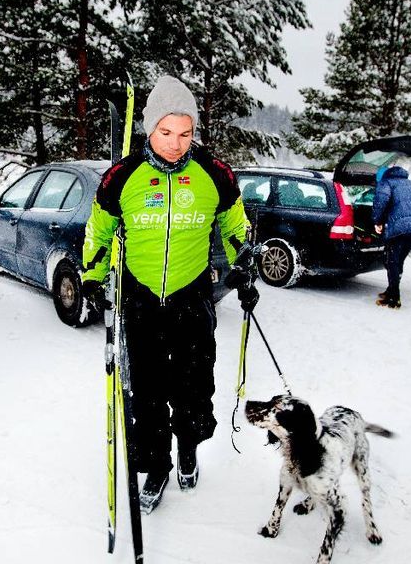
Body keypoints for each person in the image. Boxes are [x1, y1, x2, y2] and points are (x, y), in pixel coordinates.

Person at [80, 75, 256, 514]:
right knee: (147, 392)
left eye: (185, 133)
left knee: (194, 387)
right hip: (140, 299)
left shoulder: (214, 173)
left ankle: (188, 448)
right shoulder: (122, 177)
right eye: (166, 132)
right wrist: (92, 276)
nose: (176, 144)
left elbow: (236, 227)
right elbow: (99, 233)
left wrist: (244, 263)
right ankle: (156, 466)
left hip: (192, 297)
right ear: (149, 128)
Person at [372, 166, 411, 308]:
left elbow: (380, 202)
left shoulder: (386, 183)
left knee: (392, 261)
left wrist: (377, 221)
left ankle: (394, 298)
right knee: (398, 260)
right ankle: (391, 290)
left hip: (401, 229)